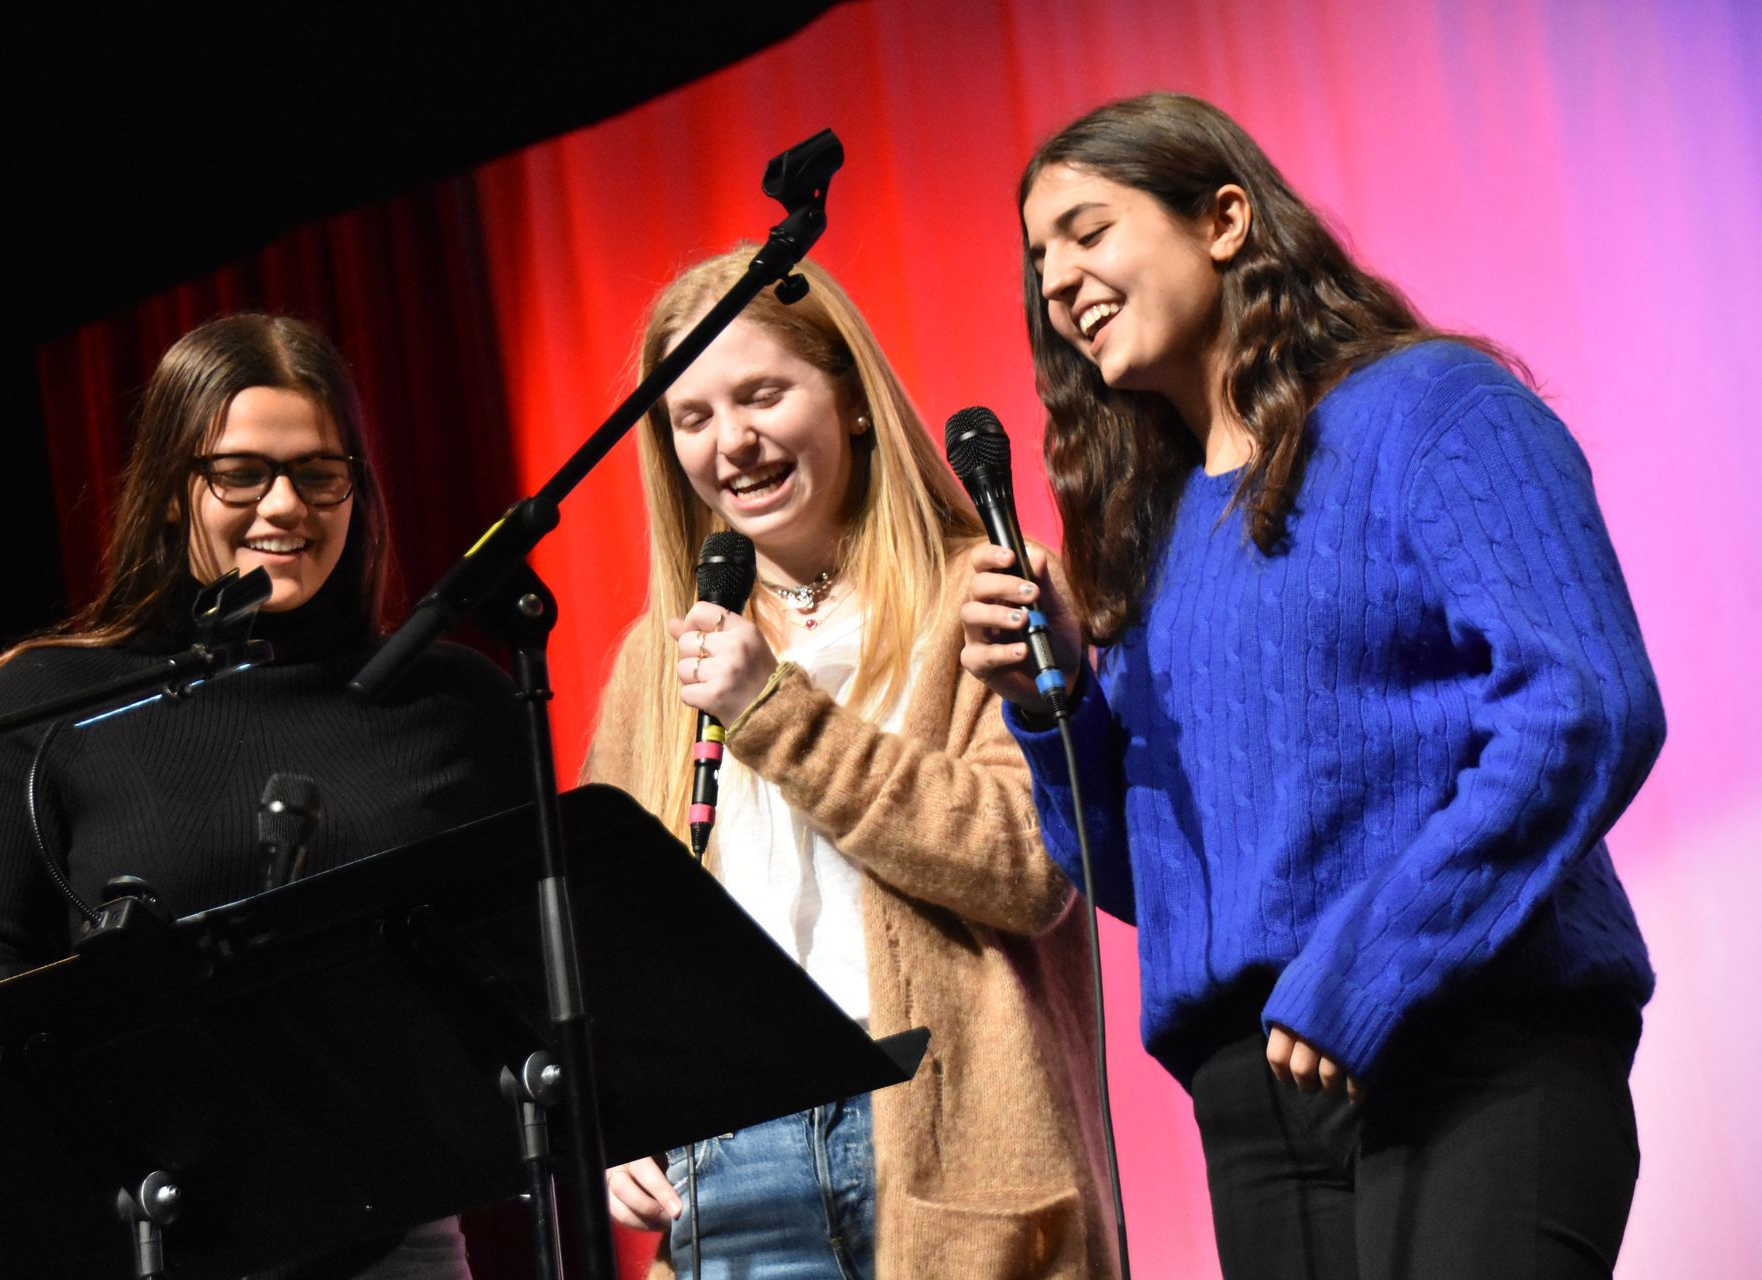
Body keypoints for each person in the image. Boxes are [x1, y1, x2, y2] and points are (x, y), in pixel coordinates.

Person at [962, 92, 1664, 1279]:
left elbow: (1584, 700)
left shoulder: (1433, 410)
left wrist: (1378, 959)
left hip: (1470, 1044)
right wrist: (1053, 703)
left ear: (1225, 218)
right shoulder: (1153, 536)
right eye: (1038, 258)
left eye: (1087, 230)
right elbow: (1157, 871)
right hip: (1257, 1102)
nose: (1056, 280)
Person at [0, 313, 530, 1279]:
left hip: (393, 1233)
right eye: (240, 474)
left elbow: (518, 959)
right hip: (140, 1233)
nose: (286, 506)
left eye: (320, 474)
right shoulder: (46, 699)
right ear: (168, 491)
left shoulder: (453, 700)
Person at [584, 247, 1122, 1280]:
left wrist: (776, 714)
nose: (731, 440)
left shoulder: (980, 590)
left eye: (761, 394)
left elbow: (1026, 865)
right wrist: (620, 1111)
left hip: (949, 1151)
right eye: (692, 417)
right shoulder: (660, 660)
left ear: (851, 400)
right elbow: (619, 941)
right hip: (730, 1170)